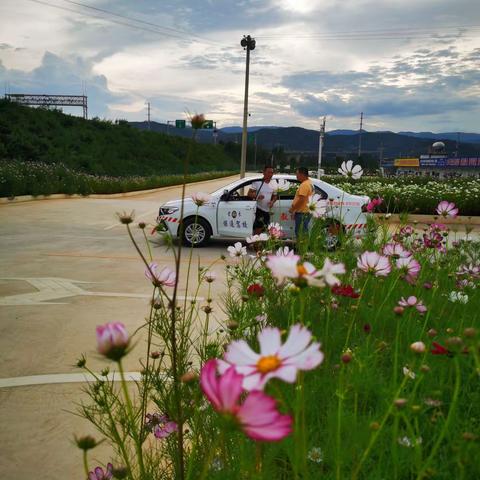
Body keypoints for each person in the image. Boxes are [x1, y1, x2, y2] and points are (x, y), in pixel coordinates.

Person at [248, 165, 278, 234]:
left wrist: (272, 202)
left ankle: (260, 243)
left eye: (272, 172)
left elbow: (275, 196)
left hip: (267, 211)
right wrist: (257, 196)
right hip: (259, 209)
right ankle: (256, 243)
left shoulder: (274, 183)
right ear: (263, 172)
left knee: (265, 230)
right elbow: (249, 194)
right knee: (258, 229)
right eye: (268, 172)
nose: (270, 174)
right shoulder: (257, 182)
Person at [289, 167, 313, 239]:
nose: (296, 176)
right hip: (305, 211)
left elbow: (301, 199)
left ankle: (301, 248)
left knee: (300, 232)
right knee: (303, 231)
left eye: (297, 174)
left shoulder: (304, 185)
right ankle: (303, 248)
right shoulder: (309, 182)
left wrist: (293, 209)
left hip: (302, 213)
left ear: (302, 174)